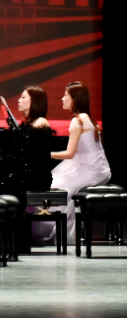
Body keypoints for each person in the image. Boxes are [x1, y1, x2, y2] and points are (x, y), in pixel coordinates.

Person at [47, 81, 111, 243]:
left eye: (65, 95)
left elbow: (69, 154)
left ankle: (51, 231)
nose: (62, 99)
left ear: (75, 99)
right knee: (57, 180)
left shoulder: (78, 121)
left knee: (56, 186)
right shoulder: (87, 118)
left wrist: (45, 155)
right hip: (98, 169)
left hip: (90, 170)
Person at [0, 86, 55, 195]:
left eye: (23, 97)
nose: (19, 100)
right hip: (23, 173)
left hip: (34, 178)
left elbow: (25, 155)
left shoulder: (41, 123)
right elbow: (15, 148)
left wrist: (0, 159)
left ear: (35, 101)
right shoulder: (28, 124)